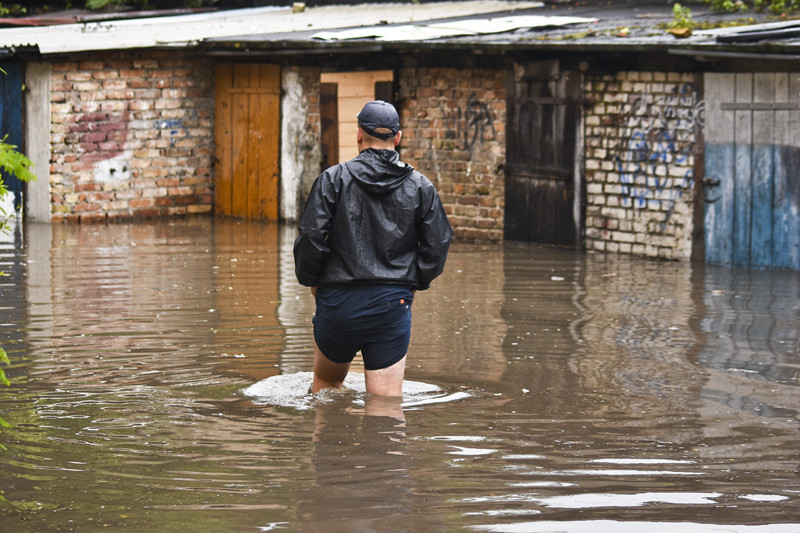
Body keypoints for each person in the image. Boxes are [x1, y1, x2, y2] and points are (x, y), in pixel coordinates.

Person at [294, 100, 453, 398]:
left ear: (358, 135)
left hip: (338, 302)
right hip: (392, 306)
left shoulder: (332, 180)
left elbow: (311, 238)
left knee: (325, 393)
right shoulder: (421, 187)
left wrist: (313, 283)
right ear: (398, 138)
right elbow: (438, 244)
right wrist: (413, 283)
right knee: (386, 407)